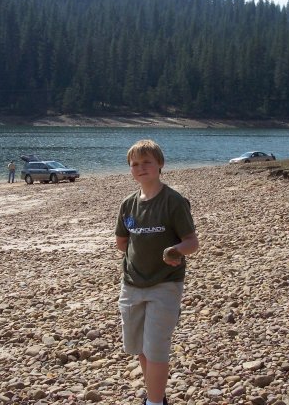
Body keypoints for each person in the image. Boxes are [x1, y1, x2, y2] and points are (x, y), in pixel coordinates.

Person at [115, 139, 199, 405]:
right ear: (130, 169)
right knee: (140, 347)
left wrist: (174, 250)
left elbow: (192, 242)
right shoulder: (128, 204)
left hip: (165, 285)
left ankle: (152, 402)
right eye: (135, 164)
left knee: (157, 348)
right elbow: (122, 243)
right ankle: (157, 396)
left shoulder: (173, 201)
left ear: (160, 164)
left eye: (147, 162)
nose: (141, 168)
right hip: (131, 285)